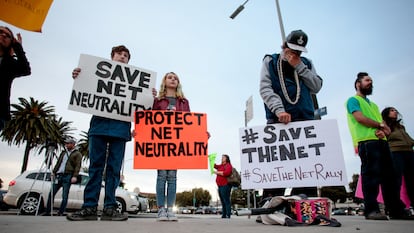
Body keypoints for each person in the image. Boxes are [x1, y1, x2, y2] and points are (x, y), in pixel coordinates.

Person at [66, 45, 133, 221]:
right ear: (111, 57)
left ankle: (110, 208)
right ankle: (89, 207)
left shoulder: (135, 83)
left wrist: (150, 95)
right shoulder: (95, 73)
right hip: (99, 127)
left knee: (113, 170)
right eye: (119, 54)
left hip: (120, 130)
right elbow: (86, 87)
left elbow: (142, 105)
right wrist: (80, 77)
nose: (122, 57)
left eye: (126, 55)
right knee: (95, 168)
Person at [259, 29, 322, 198]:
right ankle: (271, 205)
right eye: (292, 49)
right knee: (277, 165)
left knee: (306, 166)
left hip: (304, 118)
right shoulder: (271, 61)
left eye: (298, 50)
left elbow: (316, 86)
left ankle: (304, 205)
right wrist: (279, 109)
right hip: (278, 120)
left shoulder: (307, 63)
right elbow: (265, 88)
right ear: (285, 45)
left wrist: (298, 66)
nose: (295, 53)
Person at [346, 72, 412, 220]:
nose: (370, 83)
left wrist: (383, 130)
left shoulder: (374, 105)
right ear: (358, 84)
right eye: (367, 80)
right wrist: (380, 126)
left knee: (391, 178)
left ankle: (395, 209)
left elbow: (383, 126)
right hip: (367, 142)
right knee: (371, 177)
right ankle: (371, 210)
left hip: (382, 143)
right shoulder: (353, 100)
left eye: (371, 81)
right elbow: (360, 118)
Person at [152, 72, 190, 221]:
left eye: (175, 78)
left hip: (176, 143)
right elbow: (149, 119)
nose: (173, 79)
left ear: (178, 82)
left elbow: (190, 121)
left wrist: (201, 133)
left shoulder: (184, 102)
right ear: (164, 81)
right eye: (170, 77)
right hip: (160, 143)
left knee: (173, 177)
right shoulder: (158, 100)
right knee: (161, 176)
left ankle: (170, 210)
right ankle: (161, 210)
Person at [381, 107, 414, 209]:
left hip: (409, 151)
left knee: (412, 180)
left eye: (395, 110)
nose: (395, 111)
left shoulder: (400, 126)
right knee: (396, 180)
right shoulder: (384, 125)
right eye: (391, 110)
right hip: (395, 152)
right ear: (386, 114)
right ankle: (395, 205)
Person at [0, 26, 31, 131]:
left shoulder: (10, 64)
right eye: (0, 32)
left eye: (8, 36)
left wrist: (18, 47)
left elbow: (25, 70)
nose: (3, 35)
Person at [44, 138, 82, 216]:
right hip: (59, 175)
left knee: (65, 195)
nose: (67, 145)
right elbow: (58, 163)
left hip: (68, 175)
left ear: (73, 144)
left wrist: (75, 176)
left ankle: (60, 212)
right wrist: (54, 172)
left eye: (68, 143)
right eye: (66, 143)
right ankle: (48, 211)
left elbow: (78, 165)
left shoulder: (77, 154)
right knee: (51, 193)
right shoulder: (63, 153)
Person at [213, 154, 233, 219]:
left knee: (226, 200)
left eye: (223, 157)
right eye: (221, 157)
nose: (221, 159)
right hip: (220, 185)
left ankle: (228, 214)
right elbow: (214, 166)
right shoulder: (221, 165)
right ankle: (224, 214)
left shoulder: (228, 165)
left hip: (226, 185)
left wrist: (217, 172)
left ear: (226, 159)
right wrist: (211, 159)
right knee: (222, 200)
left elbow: (226, 173)